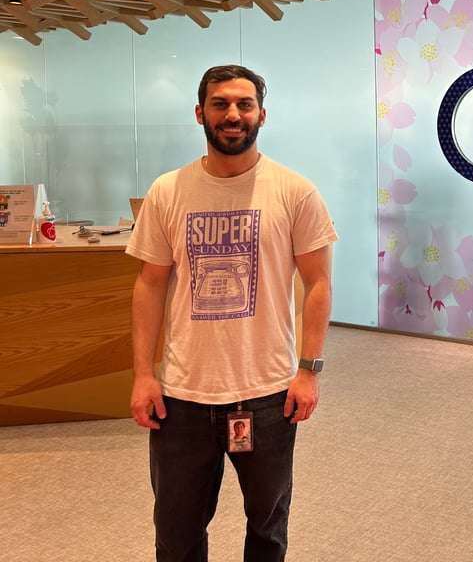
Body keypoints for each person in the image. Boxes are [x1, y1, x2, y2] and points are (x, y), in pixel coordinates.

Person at [127, 64, 337, 561]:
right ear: (200, 113)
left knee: (267, 527)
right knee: (176, 533)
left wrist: (308, 370)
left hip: (267, 394)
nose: (233, 114)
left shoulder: (295, 191)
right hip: (182, 396)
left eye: (244, 104)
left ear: (262, 115)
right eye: (220, 104)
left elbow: (318, 284)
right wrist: (143, 375)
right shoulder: (167, 191)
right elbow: (150, 284)